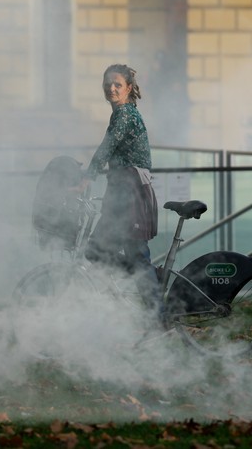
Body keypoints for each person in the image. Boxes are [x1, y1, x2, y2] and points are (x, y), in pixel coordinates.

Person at [76, 64, 159, 315]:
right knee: (98, 251)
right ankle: (127, 297)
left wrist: (87, 178)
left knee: (136, 256)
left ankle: (159, 315)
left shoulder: (124, 113)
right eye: (107, 84)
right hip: (122, 188)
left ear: (129, 88)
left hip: (130, 189)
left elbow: (108, 146)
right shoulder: (123, 113)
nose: (111, 88)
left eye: (117, 85)